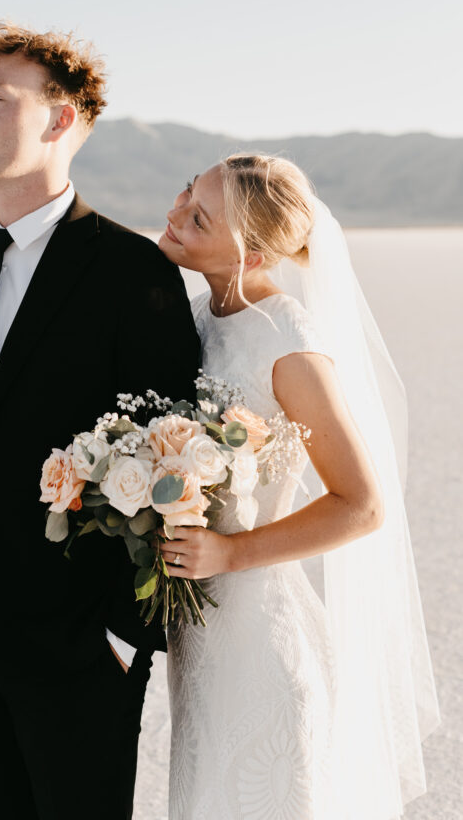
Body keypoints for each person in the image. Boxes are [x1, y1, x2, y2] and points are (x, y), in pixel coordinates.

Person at [0, 20, 200, 820]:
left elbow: (175, 463)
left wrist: (124, 639)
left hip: (75, 656)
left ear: (61, 120)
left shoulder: (134, 274)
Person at [157, 154, 440, 820]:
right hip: (197, 641)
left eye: (198, 217)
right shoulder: (198, 316)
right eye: (184, 193)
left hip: (260, 640)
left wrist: (229, 554)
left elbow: (362, 505)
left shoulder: (287, 344)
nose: (173, 214)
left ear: (251, 255)